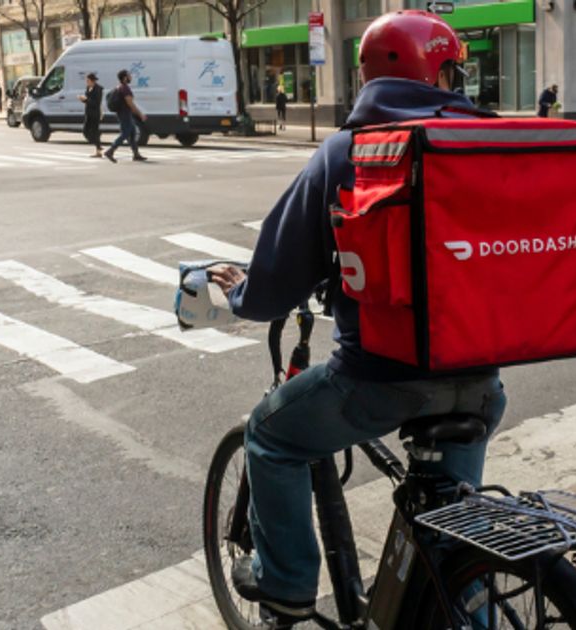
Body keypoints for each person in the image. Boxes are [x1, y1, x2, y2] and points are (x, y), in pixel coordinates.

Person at [207, 10, 507, 625]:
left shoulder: (349, 151)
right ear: (441, 71)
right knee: (452, 539)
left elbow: (271, 285)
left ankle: (287, 583)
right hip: (481, 386)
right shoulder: (489, 145)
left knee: (270, 436)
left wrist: (239, 293)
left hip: (379, 384)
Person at [103, 69, 147, 163]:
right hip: (124, 114)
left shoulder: (119, 87)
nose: (131, 77)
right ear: (124, 78)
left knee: (132, 133)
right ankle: (110, 151)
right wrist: (140, 114)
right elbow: (130, 103)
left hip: (124, 113)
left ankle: (136, 154)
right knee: (125, 133)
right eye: (129, 75)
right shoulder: (125, 88)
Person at [78, 72, 104, 157]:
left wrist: (85, 99)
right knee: (85, 131)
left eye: (88, 80)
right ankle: (98, 146)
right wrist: (83, 99)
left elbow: (96, 103)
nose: (87, 82)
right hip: (88, 113)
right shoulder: (88, 88)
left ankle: (98, 150)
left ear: (93, 81)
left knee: (94, 131)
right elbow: (88, 100)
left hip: (95, 113)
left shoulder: (98, 89)